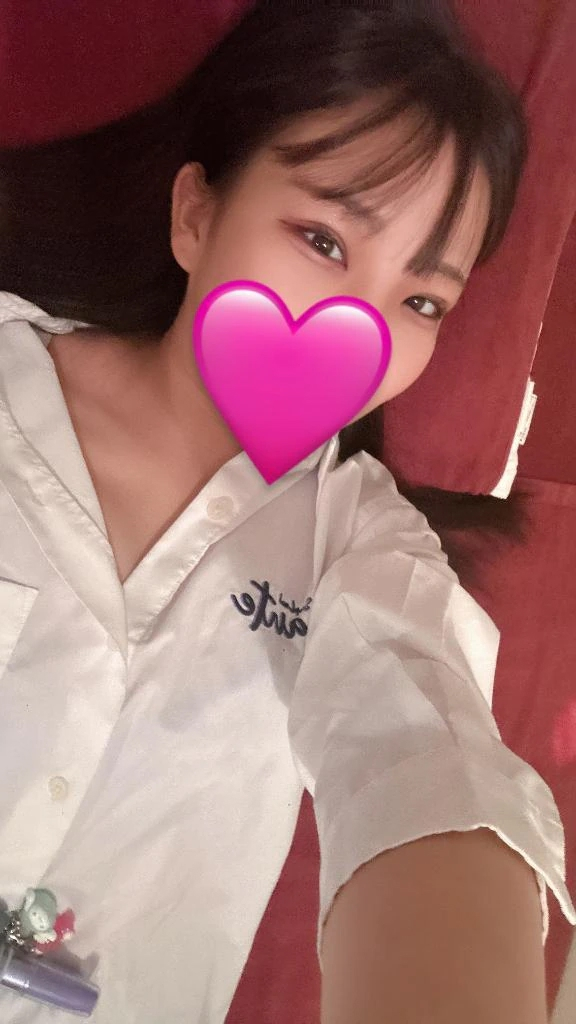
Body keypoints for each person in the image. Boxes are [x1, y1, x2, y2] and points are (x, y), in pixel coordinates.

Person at [0, 1, 574, 1021]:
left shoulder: (359, 545)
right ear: (196, 214)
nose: (360, 327)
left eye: (422, 300)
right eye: (322, 238)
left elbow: (425, 759)